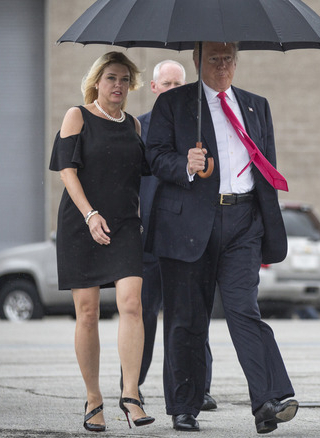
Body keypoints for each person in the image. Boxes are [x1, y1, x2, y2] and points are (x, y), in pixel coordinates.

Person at [146, 41, 297, 433]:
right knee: (187, 318)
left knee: (244, 309)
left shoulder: (255, 105)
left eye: (230, 58)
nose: (224, 64)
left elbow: (267, 164)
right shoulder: (174, 104)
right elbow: (154, 156)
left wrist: (264, 222)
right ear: (198, 61)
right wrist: (186, 165)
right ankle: (184, 405)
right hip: (188, 224)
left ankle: (268, 400)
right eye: (215, 58)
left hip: (243, 222)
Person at [49, 51, 155, 431]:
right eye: (111, 78)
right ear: (97, 80)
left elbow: (145, 172)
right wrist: (90, 214)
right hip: (82, 223)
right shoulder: (77, 115)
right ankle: (94, 398)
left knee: (132, 303)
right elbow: (66, 170)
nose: (118, 86)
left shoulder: (134, 126)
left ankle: (131, 394)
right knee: (88, 313)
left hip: (125, 224)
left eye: (125, 80)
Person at [132, 59, 217, 411]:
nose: (172, 90)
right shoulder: (139, 128)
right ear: (154, 88)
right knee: (145, 314)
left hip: (186, 236)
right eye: (166, 84)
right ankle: (132, 384)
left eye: (178, 84)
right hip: (147, 236)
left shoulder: (198, 126)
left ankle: (198, 388)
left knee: (192, 314)